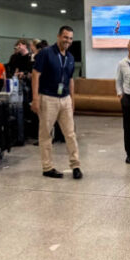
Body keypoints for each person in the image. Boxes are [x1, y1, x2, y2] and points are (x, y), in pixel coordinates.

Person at [31, 26, 81, 179]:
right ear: (59, 36)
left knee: (70, 134)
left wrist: (72, 100)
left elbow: (71, 80)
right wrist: (35, 98)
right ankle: (47, 167)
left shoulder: (70, 57)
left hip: (65, 99)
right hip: (48, 98)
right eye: (65, 37)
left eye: (71, 38)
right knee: (46, 134)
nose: (68, 41)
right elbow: (35, 75)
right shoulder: (45, 53)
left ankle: (76, 165)